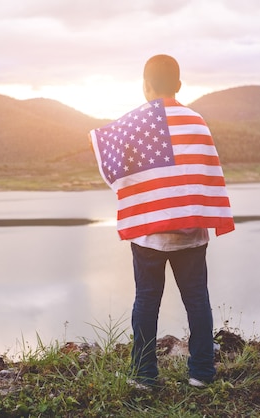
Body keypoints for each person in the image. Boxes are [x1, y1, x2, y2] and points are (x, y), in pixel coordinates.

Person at [89, 54, 235, 388]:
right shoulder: (196, 121)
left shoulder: (134, 123)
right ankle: (201, 373)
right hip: (191, 233)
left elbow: (118, 168)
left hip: (149, 233)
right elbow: (205, 173)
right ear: (179, 85)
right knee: (197, 300)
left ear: (145, 86)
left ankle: (144, 375)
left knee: (146, 300)